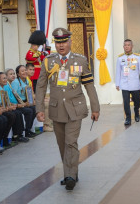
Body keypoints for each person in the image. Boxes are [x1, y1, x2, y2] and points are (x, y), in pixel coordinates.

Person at [35, 27, 100, 191]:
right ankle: (73, 171)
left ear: (70, 42)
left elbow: (89, 85)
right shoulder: (48, 61)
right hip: (56, 110)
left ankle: (69, 176)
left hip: (75, 109)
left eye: (64, 42)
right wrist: (39, 108)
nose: (61, 45)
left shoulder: (80, 60)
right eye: (58, 42)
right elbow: (41, 86)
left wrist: (95, 107)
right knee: (62, 144)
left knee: (71, 142)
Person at [115, 39, 140, 125]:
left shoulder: (137, 57)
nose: (127, 46)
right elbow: (118, 71)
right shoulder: (120, 58)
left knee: (137, 101)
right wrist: (117, 84)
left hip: (135, 83)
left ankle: (137, 112)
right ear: (123, 47)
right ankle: (128, 118)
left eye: (128, 45)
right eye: (125, 45)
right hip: (124, 84)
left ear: (132, 46)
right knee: (126, 102)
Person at [11, 65, 37, 138]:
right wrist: (23, 104)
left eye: (25, 70)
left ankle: (28, 129)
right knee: (29, 111)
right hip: (17, 103)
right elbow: (14, 96)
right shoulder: (15, 82)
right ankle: (25, 131)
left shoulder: (27, 81)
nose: (25, 72)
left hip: (26, 102)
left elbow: (29, 93)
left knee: (34, 108)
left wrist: (31, 102)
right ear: (18, 74)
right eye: (22, 71)